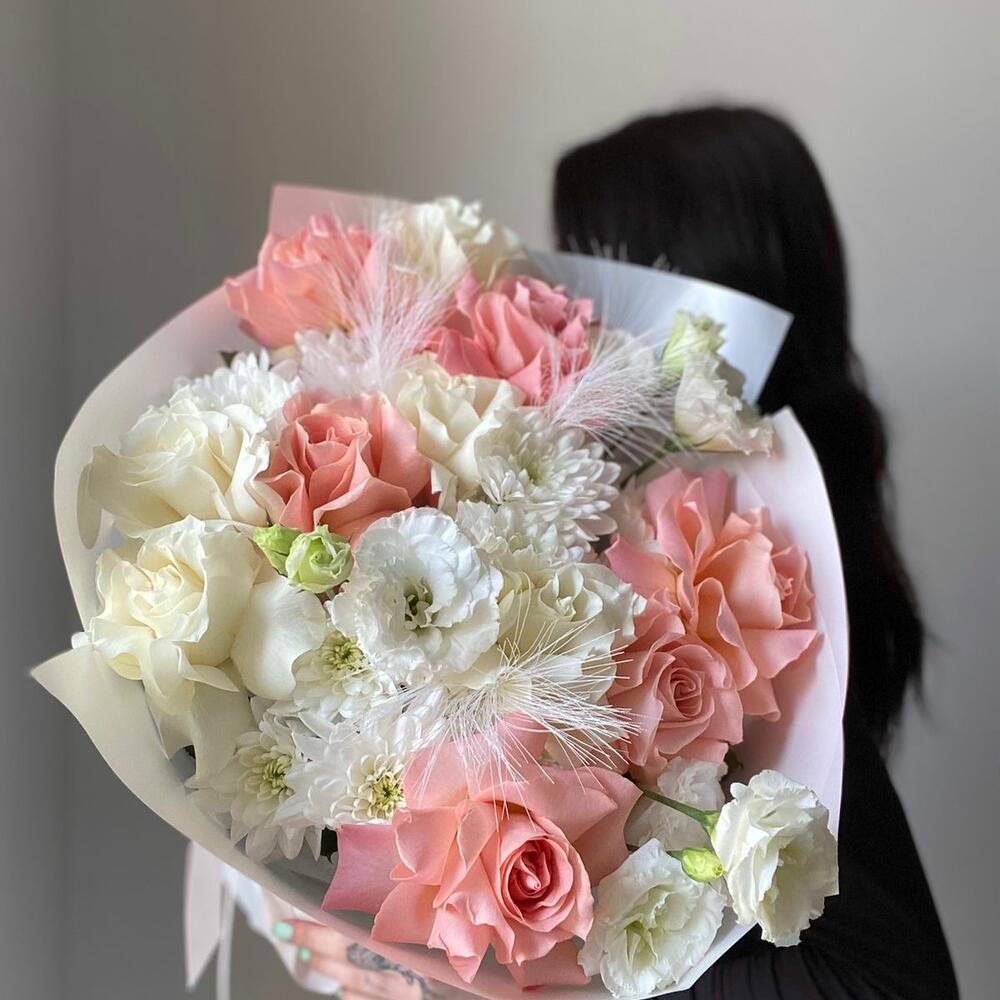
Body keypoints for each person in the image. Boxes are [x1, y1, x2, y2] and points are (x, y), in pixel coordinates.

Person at [275, 107, 959, 999]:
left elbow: (870, 972)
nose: (568, 313)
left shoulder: (749, 570)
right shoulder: (779, 540)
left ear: (678, 290)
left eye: (581, 270)